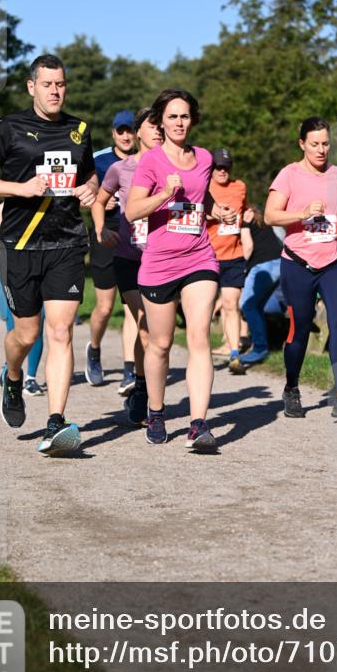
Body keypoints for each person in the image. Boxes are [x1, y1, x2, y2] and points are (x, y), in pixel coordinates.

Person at [0, 53, 98, 455]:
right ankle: (12, 375)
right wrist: (21, 189)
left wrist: (90, 189)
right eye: (47, 85)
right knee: (27, 333)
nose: (55, 91)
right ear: (32, 86)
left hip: (66, 242)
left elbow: (87, 173)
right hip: (21, 245)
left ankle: (55, 423)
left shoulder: (79, 130)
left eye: (60, 84)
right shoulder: (7, 128)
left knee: (61, 331)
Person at [126, 88, 219, 450]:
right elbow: (133, 211)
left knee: (199, 337)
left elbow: (202, 198)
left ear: (192, 119)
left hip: (199, 257)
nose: (179, 122)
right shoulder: (150, 161)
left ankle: (198, 424)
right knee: (161, 344)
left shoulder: (205, 158)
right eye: (172, 117)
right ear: (161, 122)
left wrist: (218, 211)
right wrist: (164, 194)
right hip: (159, 263)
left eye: (184, 116)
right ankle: (156, 409)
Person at [264, 116, 337, 419]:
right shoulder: (288, 175)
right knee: (300, 329)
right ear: (302, 144)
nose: (321, 149)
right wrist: (303, 212)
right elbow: (270, 216)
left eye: (326, 143)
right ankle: (292, 386)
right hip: (298, 263)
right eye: (315, 144)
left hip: (334, 261)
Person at [92, 107, 164, 426]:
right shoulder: (121, 168)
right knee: (145, 325)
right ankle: (145, 395)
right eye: (152, 125)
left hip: (164, 259)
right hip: (129, 257)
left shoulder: (174, 167)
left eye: (162, 125)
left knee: (156, 333)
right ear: (137, 132)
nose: (159, 130)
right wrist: (100, 229)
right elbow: (98, 201)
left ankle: (141, 384)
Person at [86, 110, 138, 394]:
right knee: (105, 307)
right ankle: (94, 350)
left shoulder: (144, 158)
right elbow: (86, 192)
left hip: (136, 236)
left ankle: (130, 370)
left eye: (130, 130)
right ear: (113, 133)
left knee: (132, 305)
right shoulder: (99, 159)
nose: (126, 136)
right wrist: (97, 201)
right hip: (105, 234)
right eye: (121, 131)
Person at [0, 204, 47, 397]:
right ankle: (11, 367)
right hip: (14, 270)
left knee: (39, 323)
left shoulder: (51, 203)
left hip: (42, 270)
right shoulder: (5, 206)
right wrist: (12, 252)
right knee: (15, 324)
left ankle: (30, 378)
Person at [206, 148, 249, 375]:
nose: (222, 171)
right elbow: (193, 214)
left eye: (226, 167)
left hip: (233, 255)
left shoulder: (239, 187)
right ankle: (201, 353)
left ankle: (234, 354)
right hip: (207, 256)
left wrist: (251, 214)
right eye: (217, 167)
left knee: (232, 304)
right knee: (204, 309)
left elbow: (245, 208)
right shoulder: (204, 188)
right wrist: (215, 214)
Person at [238, 205, 283, 365]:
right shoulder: (261, 219)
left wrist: (242, 268)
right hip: (278, 263)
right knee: (256, 307)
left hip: (263, 265)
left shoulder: (246, 220)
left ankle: (259, 348)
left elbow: (248, 248)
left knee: (247, 305)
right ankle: (261, 345)